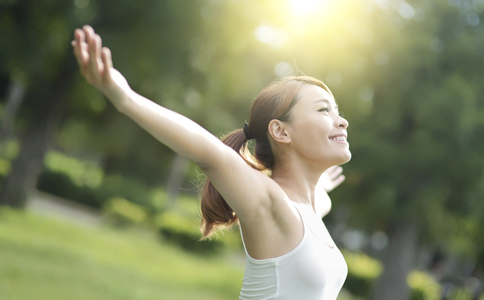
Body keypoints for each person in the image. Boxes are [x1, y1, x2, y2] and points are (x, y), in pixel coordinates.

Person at [72, 25, 351, 300]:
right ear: (281, 131)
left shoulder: (311, 209)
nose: (342, 121)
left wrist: (320, 184)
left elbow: (318, 202)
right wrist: (124, 97)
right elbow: (209, 153)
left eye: (337, 111)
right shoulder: (270, 203)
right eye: (324, 110)